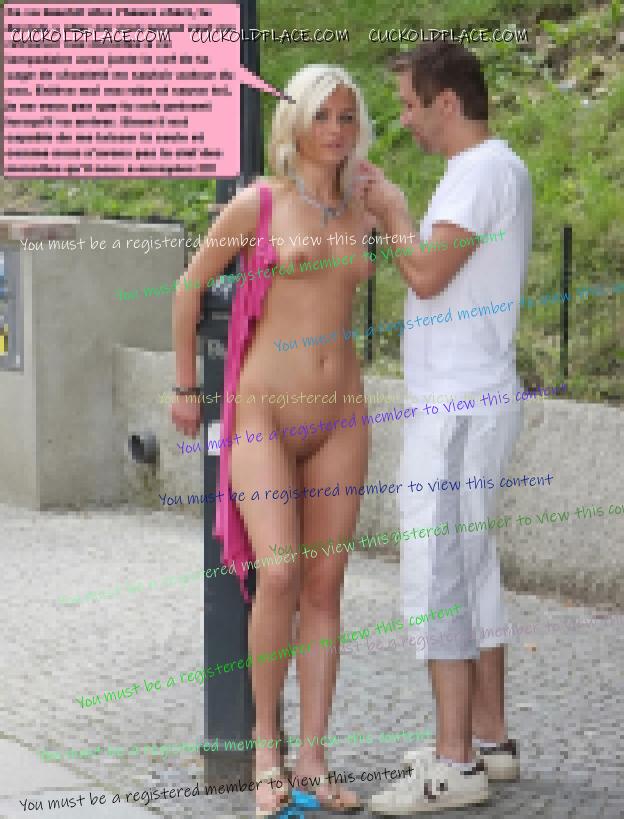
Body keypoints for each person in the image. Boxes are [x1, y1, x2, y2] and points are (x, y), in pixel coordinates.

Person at [171, 63, 375, 816]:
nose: (336, 130)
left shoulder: (365, 205)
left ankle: (314, 760)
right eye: (323, 115)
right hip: (263, 413)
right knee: (281, 573)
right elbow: (190, 287)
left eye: (348, 117)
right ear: (296, 122)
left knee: (325, 586)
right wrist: (186, 387)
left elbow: (424, 268)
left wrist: (394, 206)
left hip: (342, 414)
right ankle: (266, 751)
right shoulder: (259, 203)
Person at [353, 41, 532, 813]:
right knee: (471, 563)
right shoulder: (490, 169)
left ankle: (453, 763)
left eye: (409, 105)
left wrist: (393, 211)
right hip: (468, 398)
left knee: (438, 572)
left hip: (457, 406)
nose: (405, 120)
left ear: (447, 103)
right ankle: (489, 740)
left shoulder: (481, 172)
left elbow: (426, 273)